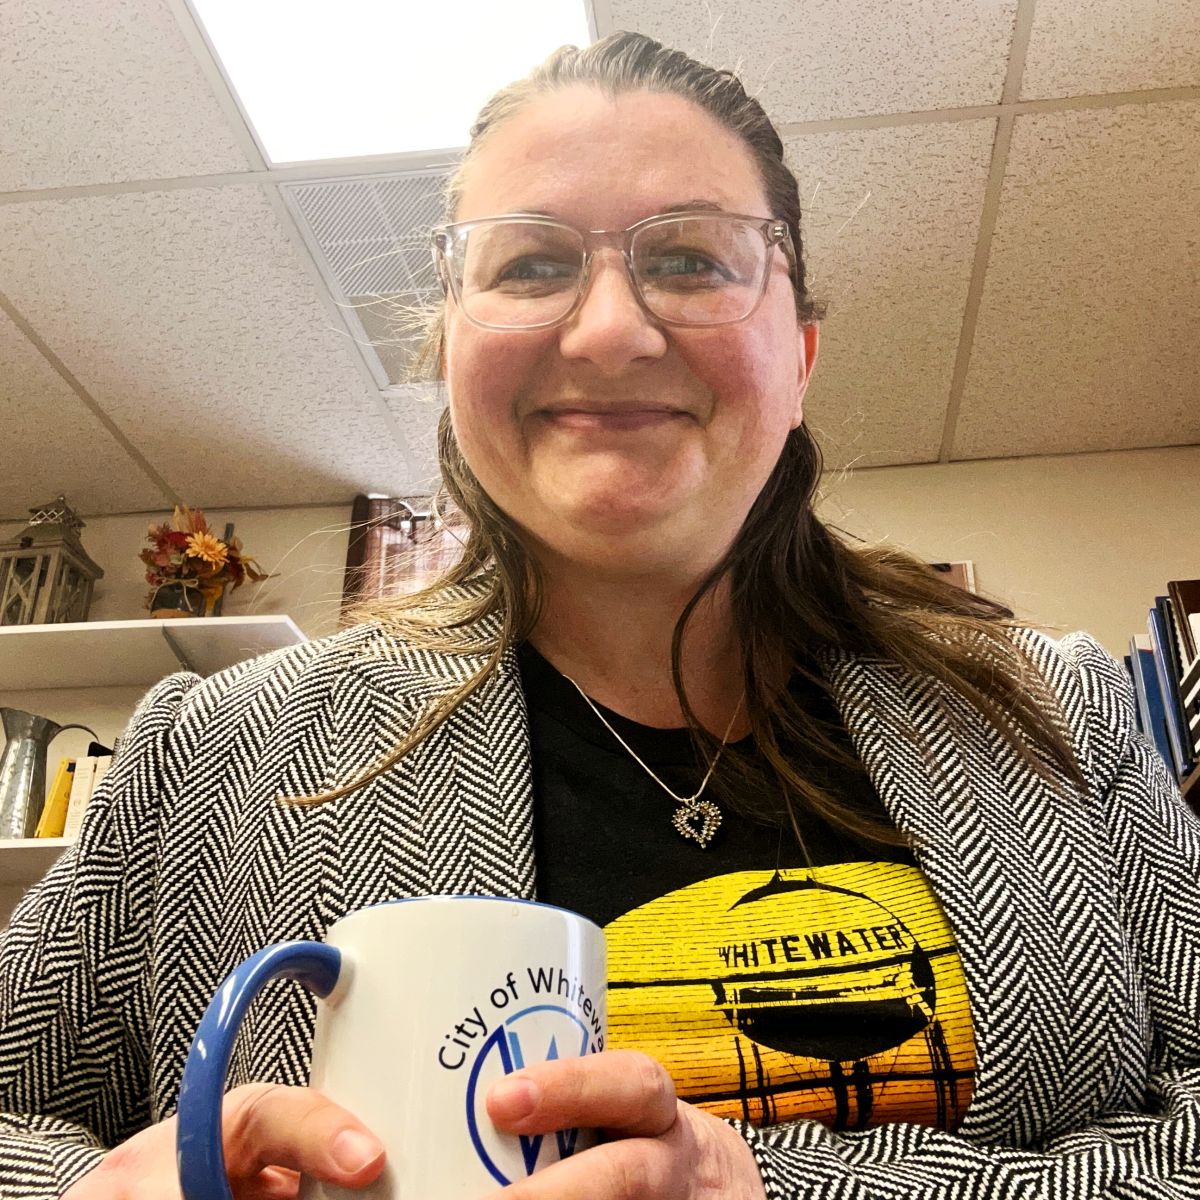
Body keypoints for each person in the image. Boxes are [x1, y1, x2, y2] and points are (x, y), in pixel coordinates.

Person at [2, 30, 1197, 1200]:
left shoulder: (1060, 717)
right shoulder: (211, 756)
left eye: (691, 259)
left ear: (801, 354)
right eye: (529, 265)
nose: (613, 328)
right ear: (451, 345)